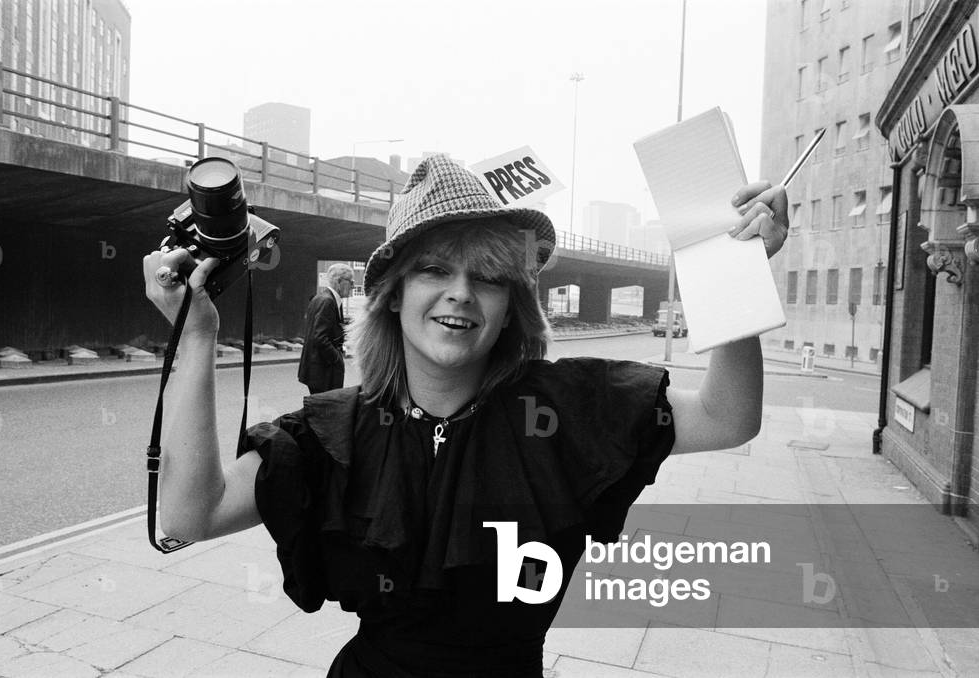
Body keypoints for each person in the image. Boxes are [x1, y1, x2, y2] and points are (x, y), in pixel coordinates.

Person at [142, 154, 789, 677]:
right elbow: (187, 516)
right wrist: (196, 338)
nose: (459, 291)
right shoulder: (331, 435)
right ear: (393, 296)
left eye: (485, 275)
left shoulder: (568, 409)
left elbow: (727, 416)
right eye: (432, 269)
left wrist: (731, 270)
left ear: (512, 304)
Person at [298, 263, 354, 393]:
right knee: (325, 411)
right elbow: (319, 338)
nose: (352, 286)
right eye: (350, 282)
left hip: (317, 371)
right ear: (339, 281)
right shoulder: (328, 301)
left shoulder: (322, 298)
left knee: (320, 409)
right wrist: (337, 358)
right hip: (323, 372)